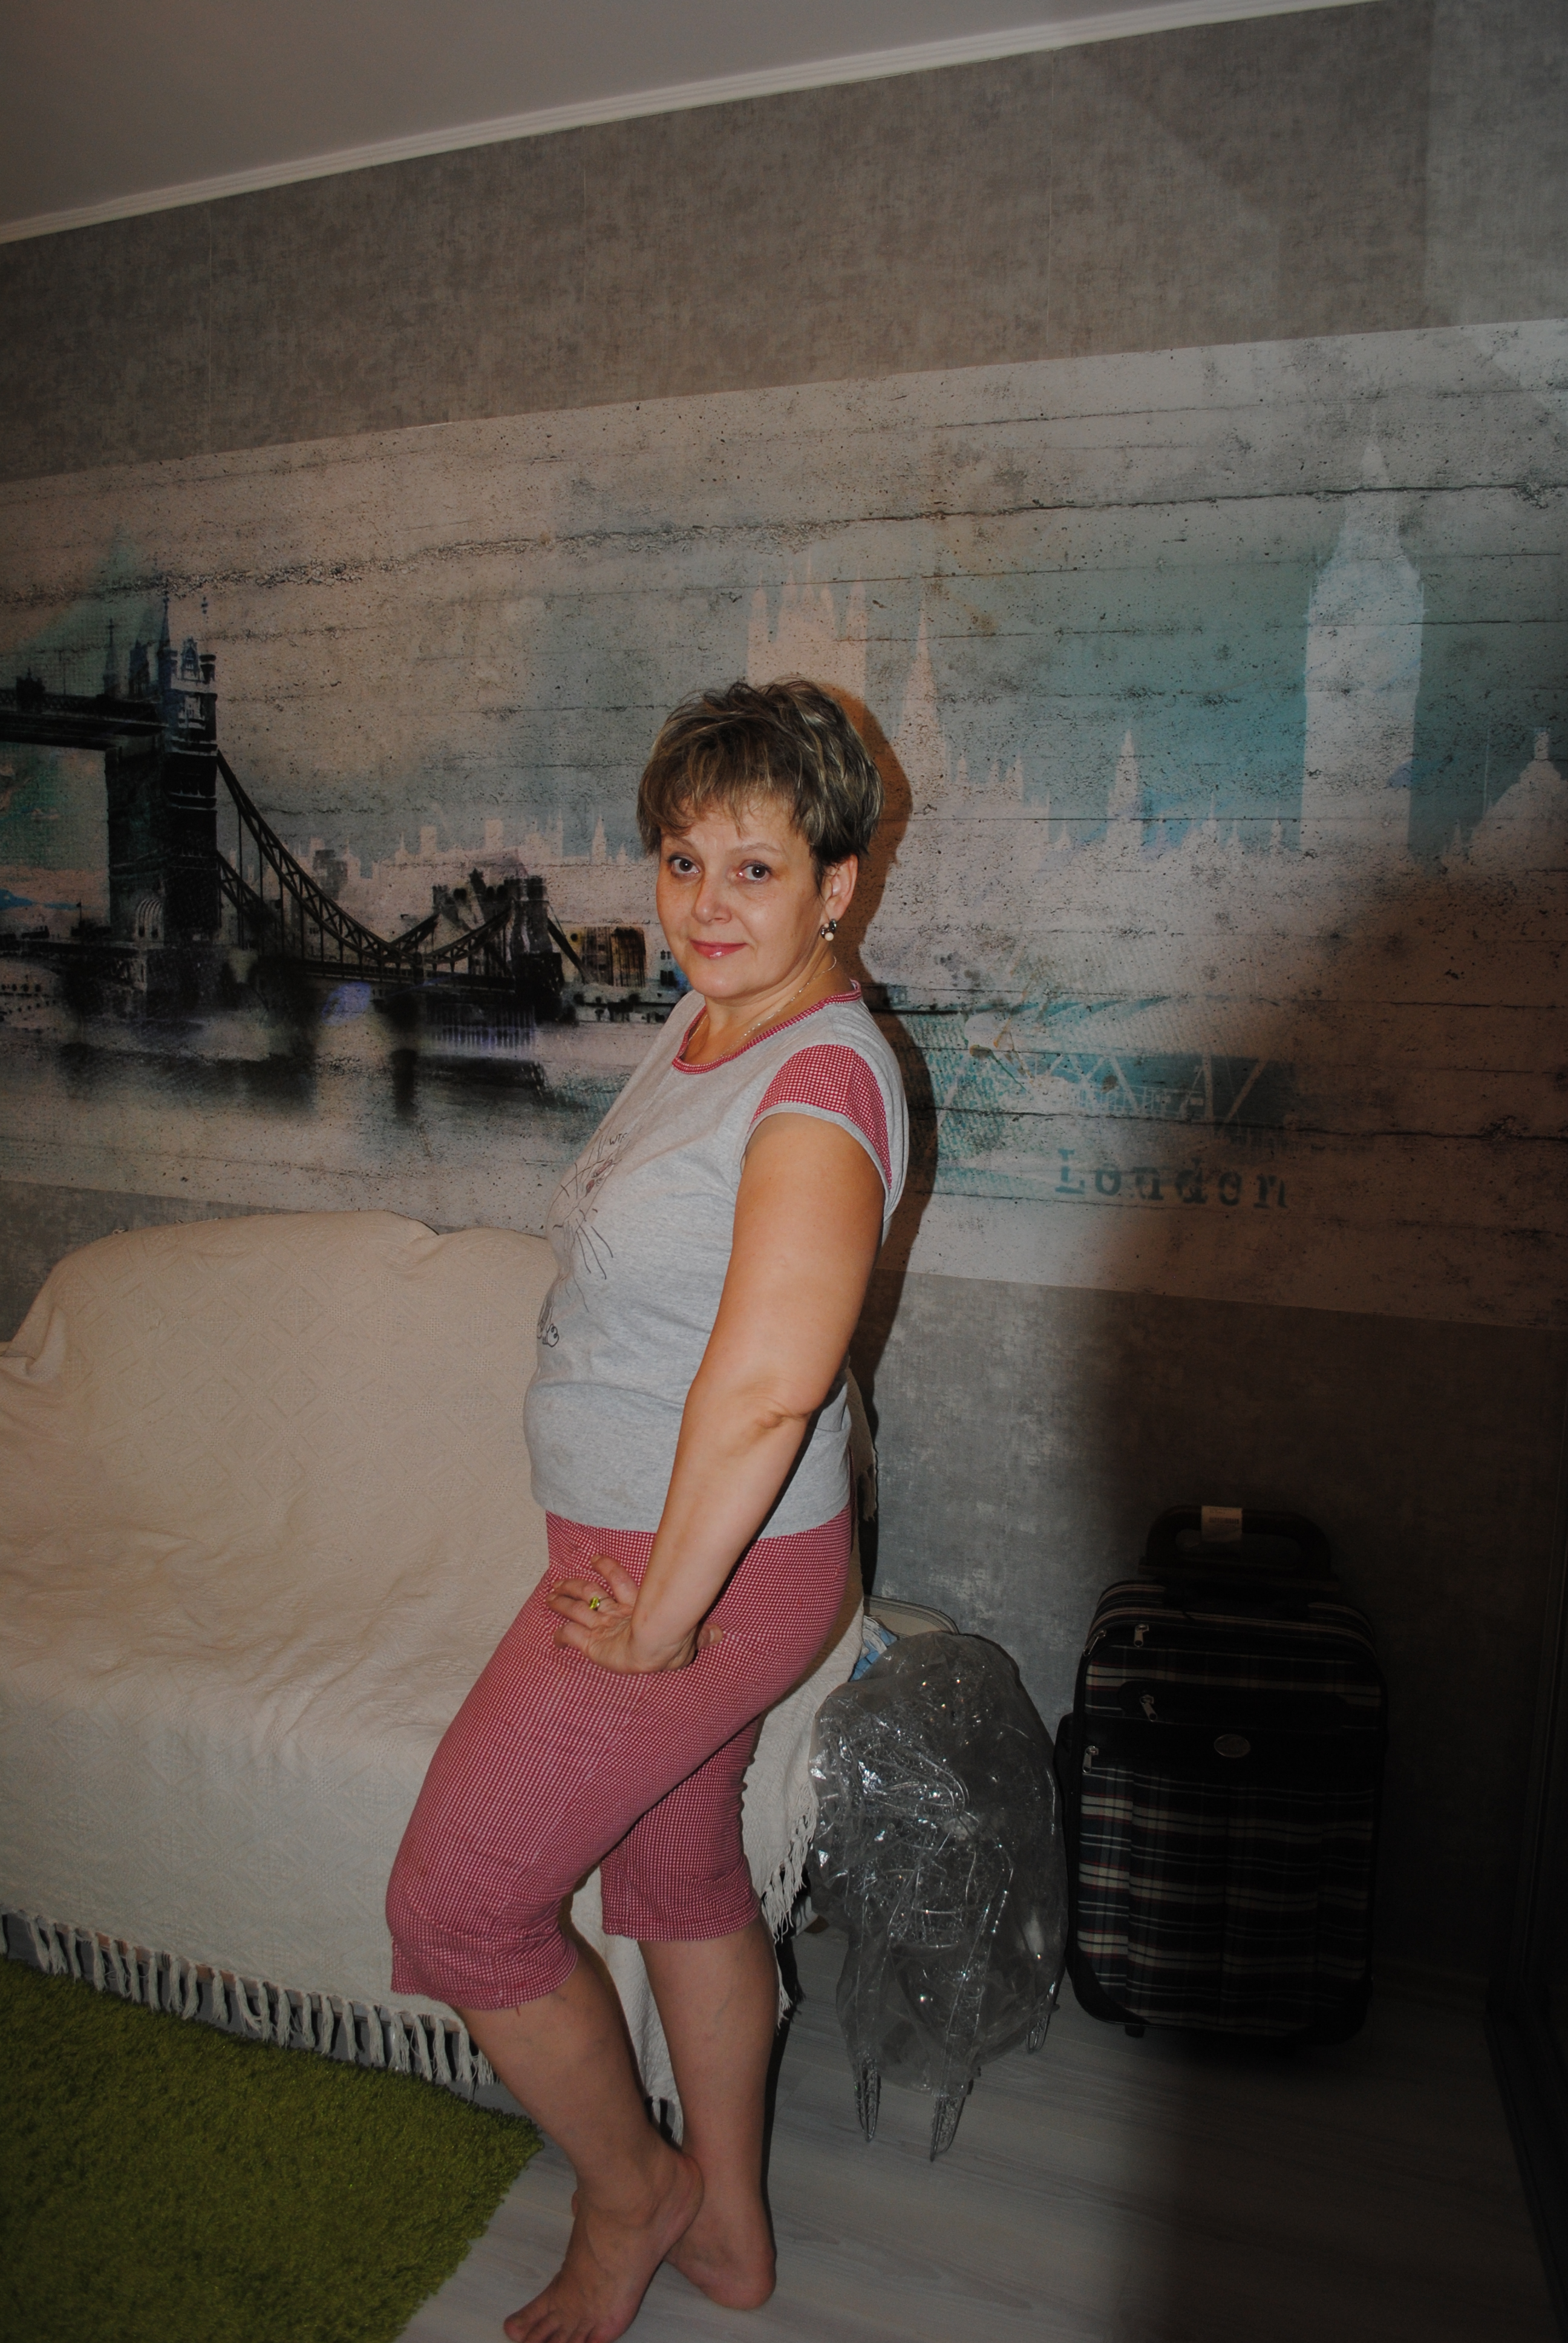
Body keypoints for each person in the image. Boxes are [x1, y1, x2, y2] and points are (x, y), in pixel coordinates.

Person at [387, 677, 908, 2343]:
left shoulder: (819, 1086)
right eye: (684, 862)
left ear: (837, 882)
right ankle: (733, 2235)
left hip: (701, 1571)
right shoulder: (711, 1029)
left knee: (458, 1902)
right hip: (665, 1549)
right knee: (679, 1870)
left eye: (755, 869)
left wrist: (667, 1620)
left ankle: (632, 2196)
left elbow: (765, 1391)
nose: (706, 904)